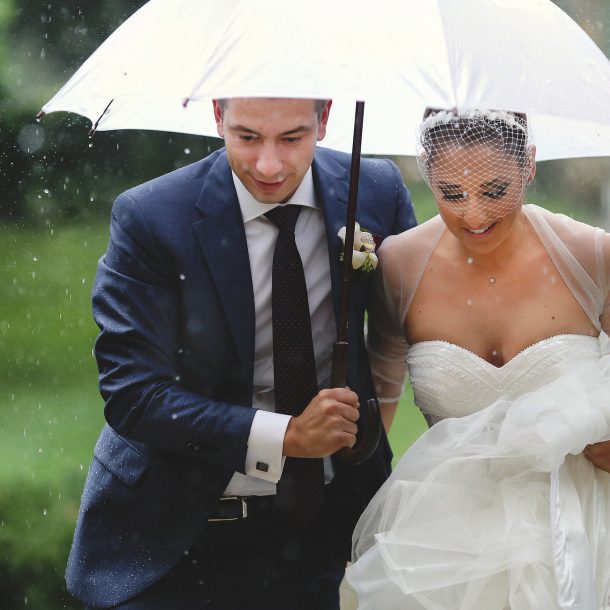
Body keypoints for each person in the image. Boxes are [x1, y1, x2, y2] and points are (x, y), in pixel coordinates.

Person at [65, 97, 417, 610]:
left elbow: (411, 329)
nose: (268, 165)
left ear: (325, 120)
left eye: (292, 138)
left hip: (312, 536)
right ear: (216, 117)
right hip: (167, 542)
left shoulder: (375, 191)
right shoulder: (152, 216)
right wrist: (289, 437)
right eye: (247, 137)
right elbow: (133, 396)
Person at [346, 108, 610, 609]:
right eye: (451, 193)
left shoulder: (594, 255)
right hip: (447, 542)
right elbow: (377, 409)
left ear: (528, 165)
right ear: (427, 175)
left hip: (581, 526)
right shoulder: (400, 265)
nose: (473, 214)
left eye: (494, 191)